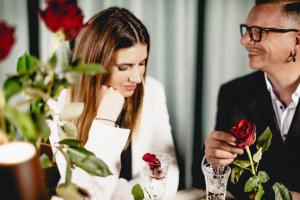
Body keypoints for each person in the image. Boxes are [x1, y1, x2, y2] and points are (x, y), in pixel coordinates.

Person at [48, 7, 179, 200]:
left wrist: (117, 193)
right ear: (96, 65)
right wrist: (105, 121)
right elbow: (81, 194)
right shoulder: (61, 103)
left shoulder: (153, 91)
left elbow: (167, 173)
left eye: (142, 63)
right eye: (124, 67)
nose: (136, 77)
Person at [194, 0, 300, 199]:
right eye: (246, 30)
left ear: (296, 40)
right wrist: (212, 160)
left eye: (258, 31)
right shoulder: (234, 93)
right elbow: (201, 180)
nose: (244, 39)